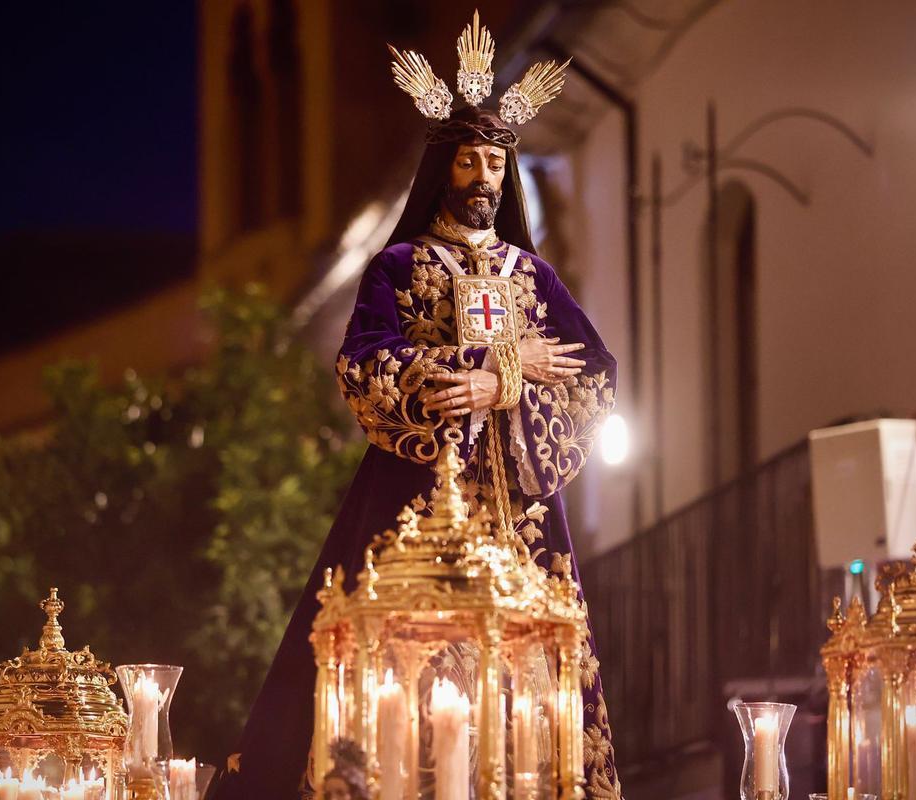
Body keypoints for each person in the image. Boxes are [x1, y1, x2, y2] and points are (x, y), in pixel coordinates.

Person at [215, 13, 623, 799]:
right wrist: (485, 368)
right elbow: (364, 366)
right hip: (416, 502)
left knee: (536, 695)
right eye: (469, 161)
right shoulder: (398, 268)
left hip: (521, 519)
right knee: (397, 677)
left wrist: (505, 384)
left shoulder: (533, 278)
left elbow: (594, 376)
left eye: (496, 163)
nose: (485, 178)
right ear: (443, 169)